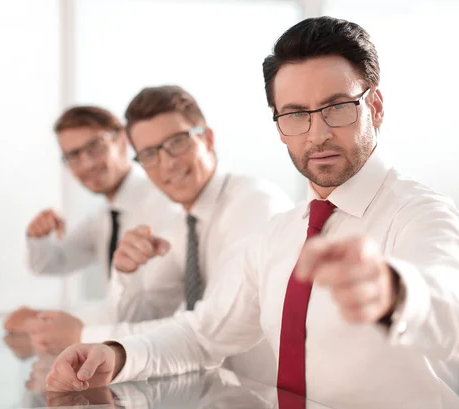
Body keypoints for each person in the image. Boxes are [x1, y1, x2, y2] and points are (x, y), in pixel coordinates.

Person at [44, 17, 459, 409]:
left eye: (337, 107)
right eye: (295, 114)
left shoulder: (419, 211)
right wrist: (117, 355)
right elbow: (204, 334)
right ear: (279, 126)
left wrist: (393, 290)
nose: (318, 133)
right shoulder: (280, 234)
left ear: (375, 107)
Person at [30, 86, 293, 384]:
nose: (167, 163)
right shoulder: (184, 222)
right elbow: (142, 316)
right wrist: (126, 275)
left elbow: (210, 331)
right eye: (150, 154)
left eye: (177, 142)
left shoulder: (252, 203)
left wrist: (83, 335)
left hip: (272, 398)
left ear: (207, 138)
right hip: (219, 396)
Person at [3, 106, 181, 339]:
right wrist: (38, 237)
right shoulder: (105, 216)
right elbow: (52, 262)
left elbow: (148, 311)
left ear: (123, 140)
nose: (86, 164)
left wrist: (41, 321)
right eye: (74, 155)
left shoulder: (161, 205)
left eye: (94, 147)